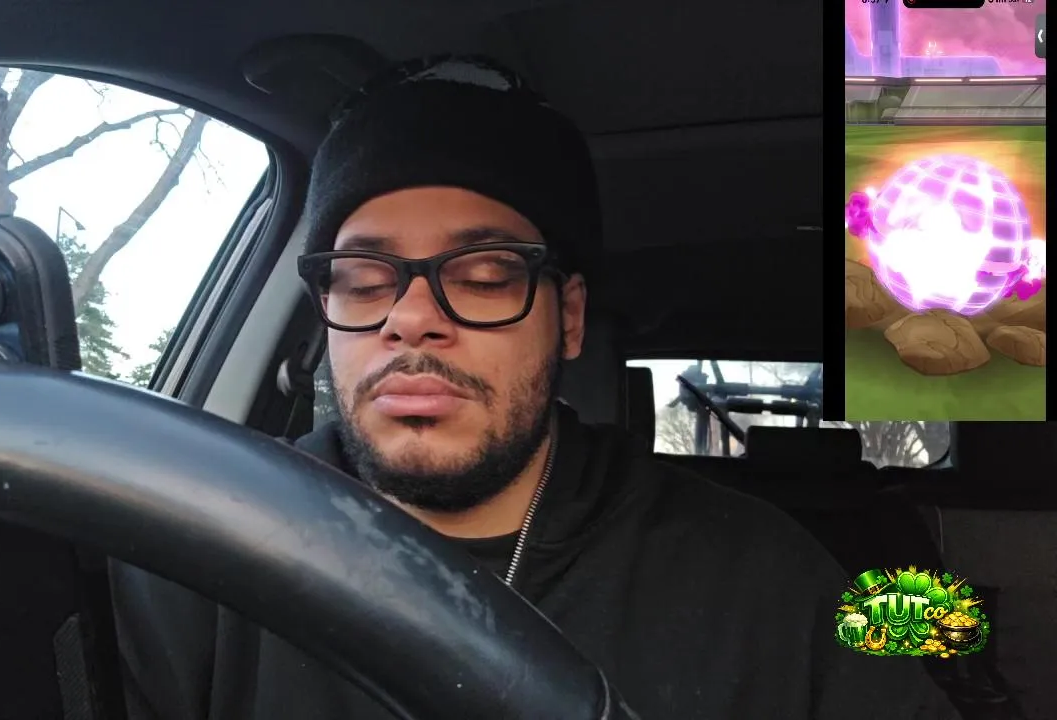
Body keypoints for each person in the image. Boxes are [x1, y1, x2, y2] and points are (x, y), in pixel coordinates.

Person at [113, 55, 963, 719]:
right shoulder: (206, 554)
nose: (410, 319)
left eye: (484, 275)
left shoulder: (761, 579)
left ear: (570, 318)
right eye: (364, 280)